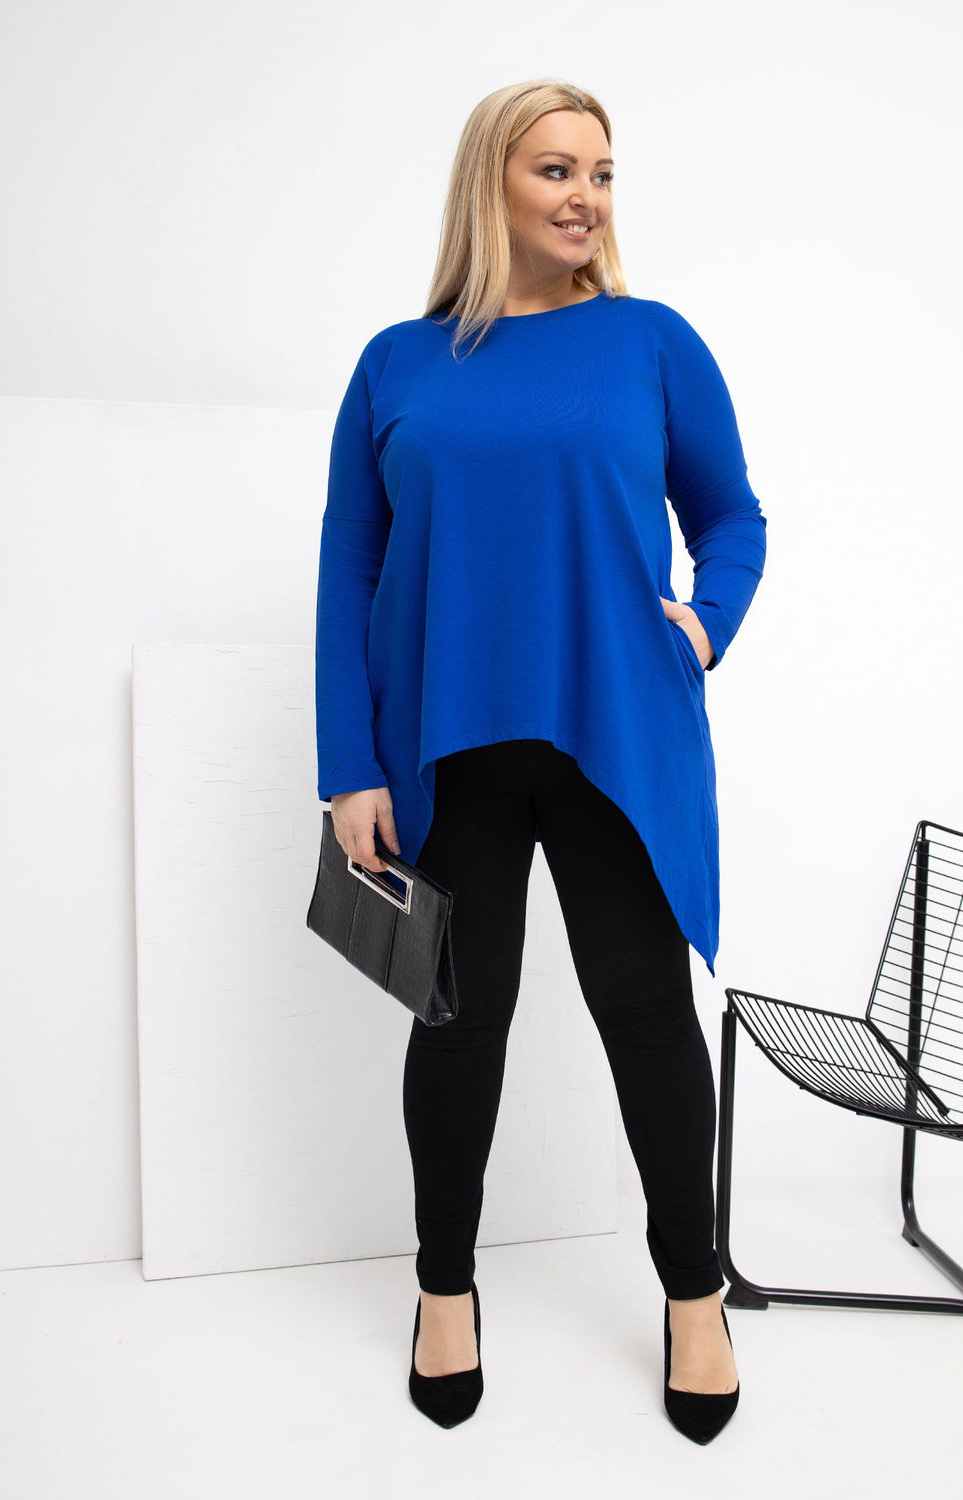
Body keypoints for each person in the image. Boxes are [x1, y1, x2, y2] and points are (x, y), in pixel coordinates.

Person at [313, 78, 766, 1441]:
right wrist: (348, 764)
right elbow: (349, 566)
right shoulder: (397, 362)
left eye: (603, 174)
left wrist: (706, 621)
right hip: (445, 743)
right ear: (491, 184)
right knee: (457, 1019)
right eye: (558, 169)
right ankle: (443, 1287)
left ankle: (694, 1295)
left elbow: (733, 516)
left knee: (646, 1013)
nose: (587, 197)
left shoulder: (650, 342)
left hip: (613, 730)